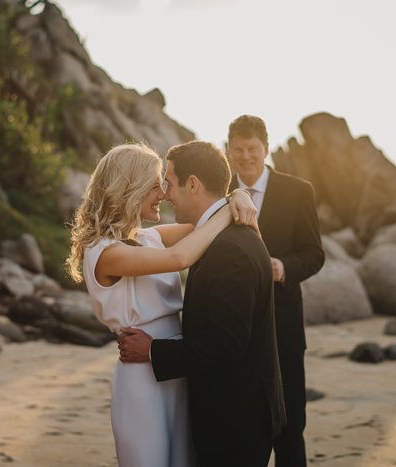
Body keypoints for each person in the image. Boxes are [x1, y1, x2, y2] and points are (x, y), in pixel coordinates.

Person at [66, 143, 258, 467]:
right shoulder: (104, 252)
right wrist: (230, 205)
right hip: (143, 375)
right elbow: (180, 257)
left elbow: (204, 221)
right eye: (156, 185)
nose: (164, 194)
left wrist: (238, 196)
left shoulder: (147, 238)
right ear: (131, 188)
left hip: (175, 367)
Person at [118, 141, 286, 466]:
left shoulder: (228, 249)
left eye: (169, 183)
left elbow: (228, 342)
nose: (165, 194)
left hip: (236, 423)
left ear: (192, 184)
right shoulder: (223, 235)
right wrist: (237, 195)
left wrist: (153, 351)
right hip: (241, 414)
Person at [227, 115, 325, 466]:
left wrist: (283, 268)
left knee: (289, 425)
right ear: (228, 150)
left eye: (253, 148)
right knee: (240, 427)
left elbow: (315, 254)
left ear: (266, 149)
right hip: (234, 328)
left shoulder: (300, 191)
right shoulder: (222, 195)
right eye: (238, 149)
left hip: (283, 326)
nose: (246, 156)